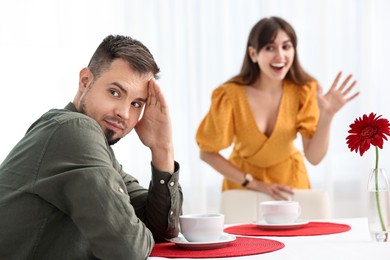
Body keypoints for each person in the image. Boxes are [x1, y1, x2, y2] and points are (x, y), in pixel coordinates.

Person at [0, 35, 183, 259]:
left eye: (136, 104)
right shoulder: (73, 131)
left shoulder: (92, 145)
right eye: (115, 92)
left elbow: (163, 230)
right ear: (85, 80)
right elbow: (128, 249)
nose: (124, 113)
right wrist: (132, 226)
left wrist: (162, 148)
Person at [195, 16, 359, 200]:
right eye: (270, 48)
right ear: (253, 54)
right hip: (242, 186)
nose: (280, 56)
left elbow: (314, 158)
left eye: (286, 47)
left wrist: (327, 116)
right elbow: (207, 153)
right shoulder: (229, 95)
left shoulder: (303, 90)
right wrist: (253, 183)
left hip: (289, 185)